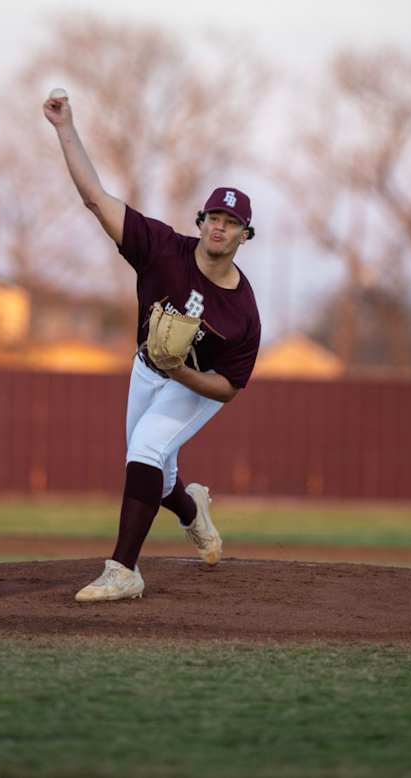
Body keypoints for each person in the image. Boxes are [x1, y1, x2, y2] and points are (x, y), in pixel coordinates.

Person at [43, 91, 261, 602]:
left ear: (244, 235)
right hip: (147, 370)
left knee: (144, 450)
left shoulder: (242, 315)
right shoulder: (162, 249)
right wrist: (64, 127)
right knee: (154, 471)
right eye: (213, 217)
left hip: (196, 385)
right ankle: (193, 512)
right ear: (200, 220)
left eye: (230, 223)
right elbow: (95, 196)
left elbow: (227, 388)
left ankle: (124, 570)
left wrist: (181, 372)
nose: (219, 226)